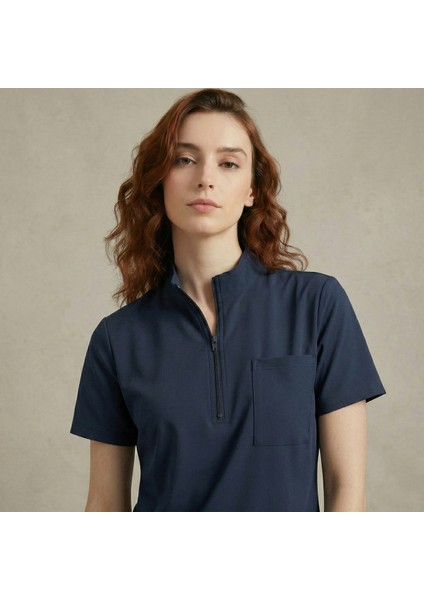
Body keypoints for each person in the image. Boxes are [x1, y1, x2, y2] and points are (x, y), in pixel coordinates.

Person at [70, 88, 386, 511]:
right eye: (185, 159)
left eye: (229, 163)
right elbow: (104, 505)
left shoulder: (317, 306)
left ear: (252, 189)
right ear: (160, 181)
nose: (206, 177)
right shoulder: (117, 339)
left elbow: (347, 490)